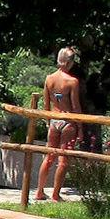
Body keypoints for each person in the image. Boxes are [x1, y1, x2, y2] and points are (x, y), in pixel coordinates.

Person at [35, 47, 82, 204]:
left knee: (48, 158)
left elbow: (46, 104)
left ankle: (39, 191)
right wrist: (80, 128)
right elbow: (75, 107)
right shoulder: (72, 81)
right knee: (63, 160)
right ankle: (55, 194)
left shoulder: (49, 79)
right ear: (69, 62)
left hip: (53, 120)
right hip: (68, 121)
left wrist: (48, 122)